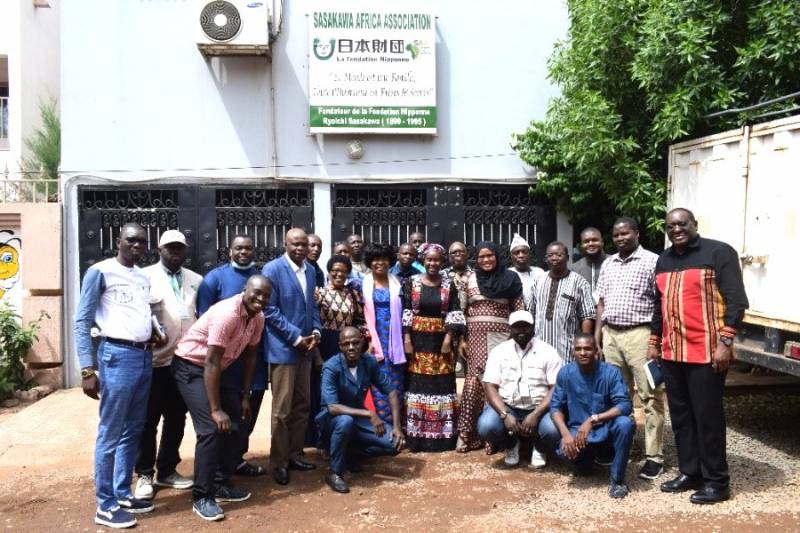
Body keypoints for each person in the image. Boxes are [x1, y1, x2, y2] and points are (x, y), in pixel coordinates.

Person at [649, 208, 748, 504]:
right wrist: (654, 342)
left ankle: (717, 482)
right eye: (670, 226)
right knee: (681, 418)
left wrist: (725, 343)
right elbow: (659, 306)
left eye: (682, 224)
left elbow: (737, 301)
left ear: (694, 224)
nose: (676, 229)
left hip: (706, 353)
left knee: (708, 418)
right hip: (672, 353)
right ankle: (690, 472)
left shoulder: (719, 252)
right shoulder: (663, 260)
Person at [75, 222, 162, 528]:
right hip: (116, 357)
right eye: (131, 241)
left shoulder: (141, 276)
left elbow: (139, 313)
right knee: (111, 432)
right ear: (118, 241)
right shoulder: (100, 271)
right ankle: (105, 504)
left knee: (133, 429)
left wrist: (153, 331)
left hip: (142, 356)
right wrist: (87, 368)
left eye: (142, 242)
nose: (137, 246)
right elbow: (83, 319)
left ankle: (123, 492)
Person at [172, 275, 269, 521]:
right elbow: (212, 361)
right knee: (210, 429)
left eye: (266, 296)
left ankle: (219, 482)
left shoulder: (258, 318)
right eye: (256, 293)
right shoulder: (228, 314)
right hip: (191, 367)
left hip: (216, 370)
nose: (260, 299)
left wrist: (245, 396)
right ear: (244, 290)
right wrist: (215, 409)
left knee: (238, 419)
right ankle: (202, 496)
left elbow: (250, 357)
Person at [594, 217, 665, 481]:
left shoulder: (652, 261)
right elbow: (601, 303)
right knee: (616, 397)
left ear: (636, 233)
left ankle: (654, 457)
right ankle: (619, 447)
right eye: (616, 234)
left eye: (625, 233)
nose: (621, 238)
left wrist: (655, 340)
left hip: (640, 335)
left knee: (650, 396)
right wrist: (599, 338)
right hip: (611, 336)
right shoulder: (609, 263)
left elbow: (661, 303)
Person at [134, 230, 200, 501]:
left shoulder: (196, 280)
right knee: (148, 421)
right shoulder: (144, 277)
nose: (175, 252)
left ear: (186, 251)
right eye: (170, 248)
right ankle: (145, 474)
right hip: (155, 362)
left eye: (179, 248)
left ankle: (167, 469)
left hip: (185, 362)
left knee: (177, 418)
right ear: (160, 250)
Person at [197, 234, 267, 478]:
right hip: (223, 364)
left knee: (248, 414)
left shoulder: (260, 279)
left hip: (250, 360)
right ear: (229, 251)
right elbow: (205, 318)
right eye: (238, 248)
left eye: (248, 248)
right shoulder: (214, 279)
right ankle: (219, 468)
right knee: (226, 416)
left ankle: (237, 459)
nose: (243, 252)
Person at [262, 228, 322, 486]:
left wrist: (316, 331)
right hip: (284, 350)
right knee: (281, 411)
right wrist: (297, 337)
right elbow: (270, 311)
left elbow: (312, 306)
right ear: (285, 243)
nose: (300, 249)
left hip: (306, 350)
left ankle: (295, 454)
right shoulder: (272, 270)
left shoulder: (310, 270)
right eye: (294, 244)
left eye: (303, 245)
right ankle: (279, 462)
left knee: (302, 405)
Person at [316, 327, 405, 494]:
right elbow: (333, 407)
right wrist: (369, 413)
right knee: (345, 421)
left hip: (358, 419)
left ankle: (351, 454)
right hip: (333, 422)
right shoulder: (331, 367)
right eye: (346, 344)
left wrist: (396, 426)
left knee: (395, 444)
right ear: (340, 346)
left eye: (355, 343)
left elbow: (391, 391)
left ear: (362, 343)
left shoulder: (369, 362)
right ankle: (335, 473)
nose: (351, 347)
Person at [456, 241, 524, 453]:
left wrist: (517, 340)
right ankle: (466, 434)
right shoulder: (469, 279)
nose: (486, 260)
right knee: (474, 383)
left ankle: (492, 437)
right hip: (475, 338)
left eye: (490, 256)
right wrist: (461, 340)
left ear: (497, 256)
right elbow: (460, 312)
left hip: (503, 339)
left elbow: (519, 311)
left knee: (498, 382)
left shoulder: (511, 278)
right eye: (482, 256)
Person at [550, 334, 635, 499]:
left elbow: (625, 405)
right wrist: (566, 434)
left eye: (587, 348)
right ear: (573, 351)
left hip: (605, 427)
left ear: (596, 351)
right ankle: (586, 461)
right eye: (578, 349)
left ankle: (617, 480)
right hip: (577, 431)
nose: (583, 353)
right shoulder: (565, 373)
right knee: (564, 450)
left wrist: (593, 419)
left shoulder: (610, 372)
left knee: (625, 424)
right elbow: (555, 407)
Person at [477, 310, 562, 468]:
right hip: (509, 406)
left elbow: (555, 388)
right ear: (510, 328)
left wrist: (536, 414)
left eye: (526, 326)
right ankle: (511, 445)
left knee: (553, 429)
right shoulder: (499, 351)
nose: (521, 331)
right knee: (486, 426)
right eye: (517, 327)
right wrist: (505, 414)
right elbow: (490, 386)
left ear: (533, 327)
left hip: (541, 408)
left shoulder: (548, 351)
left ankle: (540, 448)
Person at [402, 243, 465, 452]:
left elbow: (455, 312)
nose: (432, 263)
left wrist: (449, 338)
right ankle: (416, 437)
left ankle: (442, 438)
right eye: (429, 259)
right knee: (418, 383)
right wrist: (407, 339)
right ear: (423, 260)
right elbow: (407, 312)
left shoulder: (449, 283)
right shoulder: (412, 282)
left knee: (441, 384)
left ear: (442, 261)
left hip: (441, 341)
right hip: (418, 341)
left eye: (436, 260)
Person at [308, 255, 365, 448]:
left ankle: (345, 437)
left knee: (344, 390)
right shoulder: (319, 293)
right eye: (335, 270)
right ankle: (322, 439)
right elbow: (313, 325)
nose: (339, 274)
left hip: (346, 346)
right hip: (325, 345)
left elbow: (359, 322)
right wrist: (316, 355)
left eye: (343, 271)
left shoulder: (353, 295)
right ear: (329, 272)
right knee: (324, 393)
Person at [361, 242, 406, 424]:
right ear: (370, 262)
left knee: (396, 384)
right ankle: (380, 427)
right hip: (372, 341)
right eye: (375, 260)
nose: (380, 263)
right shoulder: (360, 285)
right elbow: (357, 315)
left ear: (390, 262)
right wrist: (367, 338)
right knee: (376, 383)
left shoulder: (400, 284)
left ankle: (396, 426)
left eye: (384, 259)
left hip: (396, 342)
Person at [530, 242, 595, 363]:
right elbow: (530, 312)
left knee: (565, 379)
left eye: (559, 255)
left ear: (567, 258)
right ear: (545, 259)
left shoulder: (579, 282)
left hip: (566, 349)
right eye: (550, 255)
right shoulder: (538, 281)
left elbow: (587, 316)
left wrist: (584, 345)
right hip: (538, 347)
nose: (554, 258)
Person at [442, 241, 473, 374]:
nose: (458, 254)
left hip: (470, 328)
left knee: (469, 367)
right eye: (454, 252)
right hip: (447, 328)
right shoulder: (442, 275)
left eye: (461, 251)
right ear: (449, 257)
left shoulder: (475, 275)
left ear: (467, 255)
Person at [508, 233, 545, 312]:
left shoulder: (540, 273)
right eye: (517, 252)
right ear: (511, 256)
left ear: (529, 254)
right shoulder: (507, 274)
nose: (521, 255)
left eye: (524, 252)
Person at [572, 227, 606, 292]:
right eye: (586, 241)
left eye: (595, 240)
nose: (591, 244)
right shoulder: (574, 269)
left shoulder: (614, 263)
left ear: (602, 242)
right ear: (581, 245)